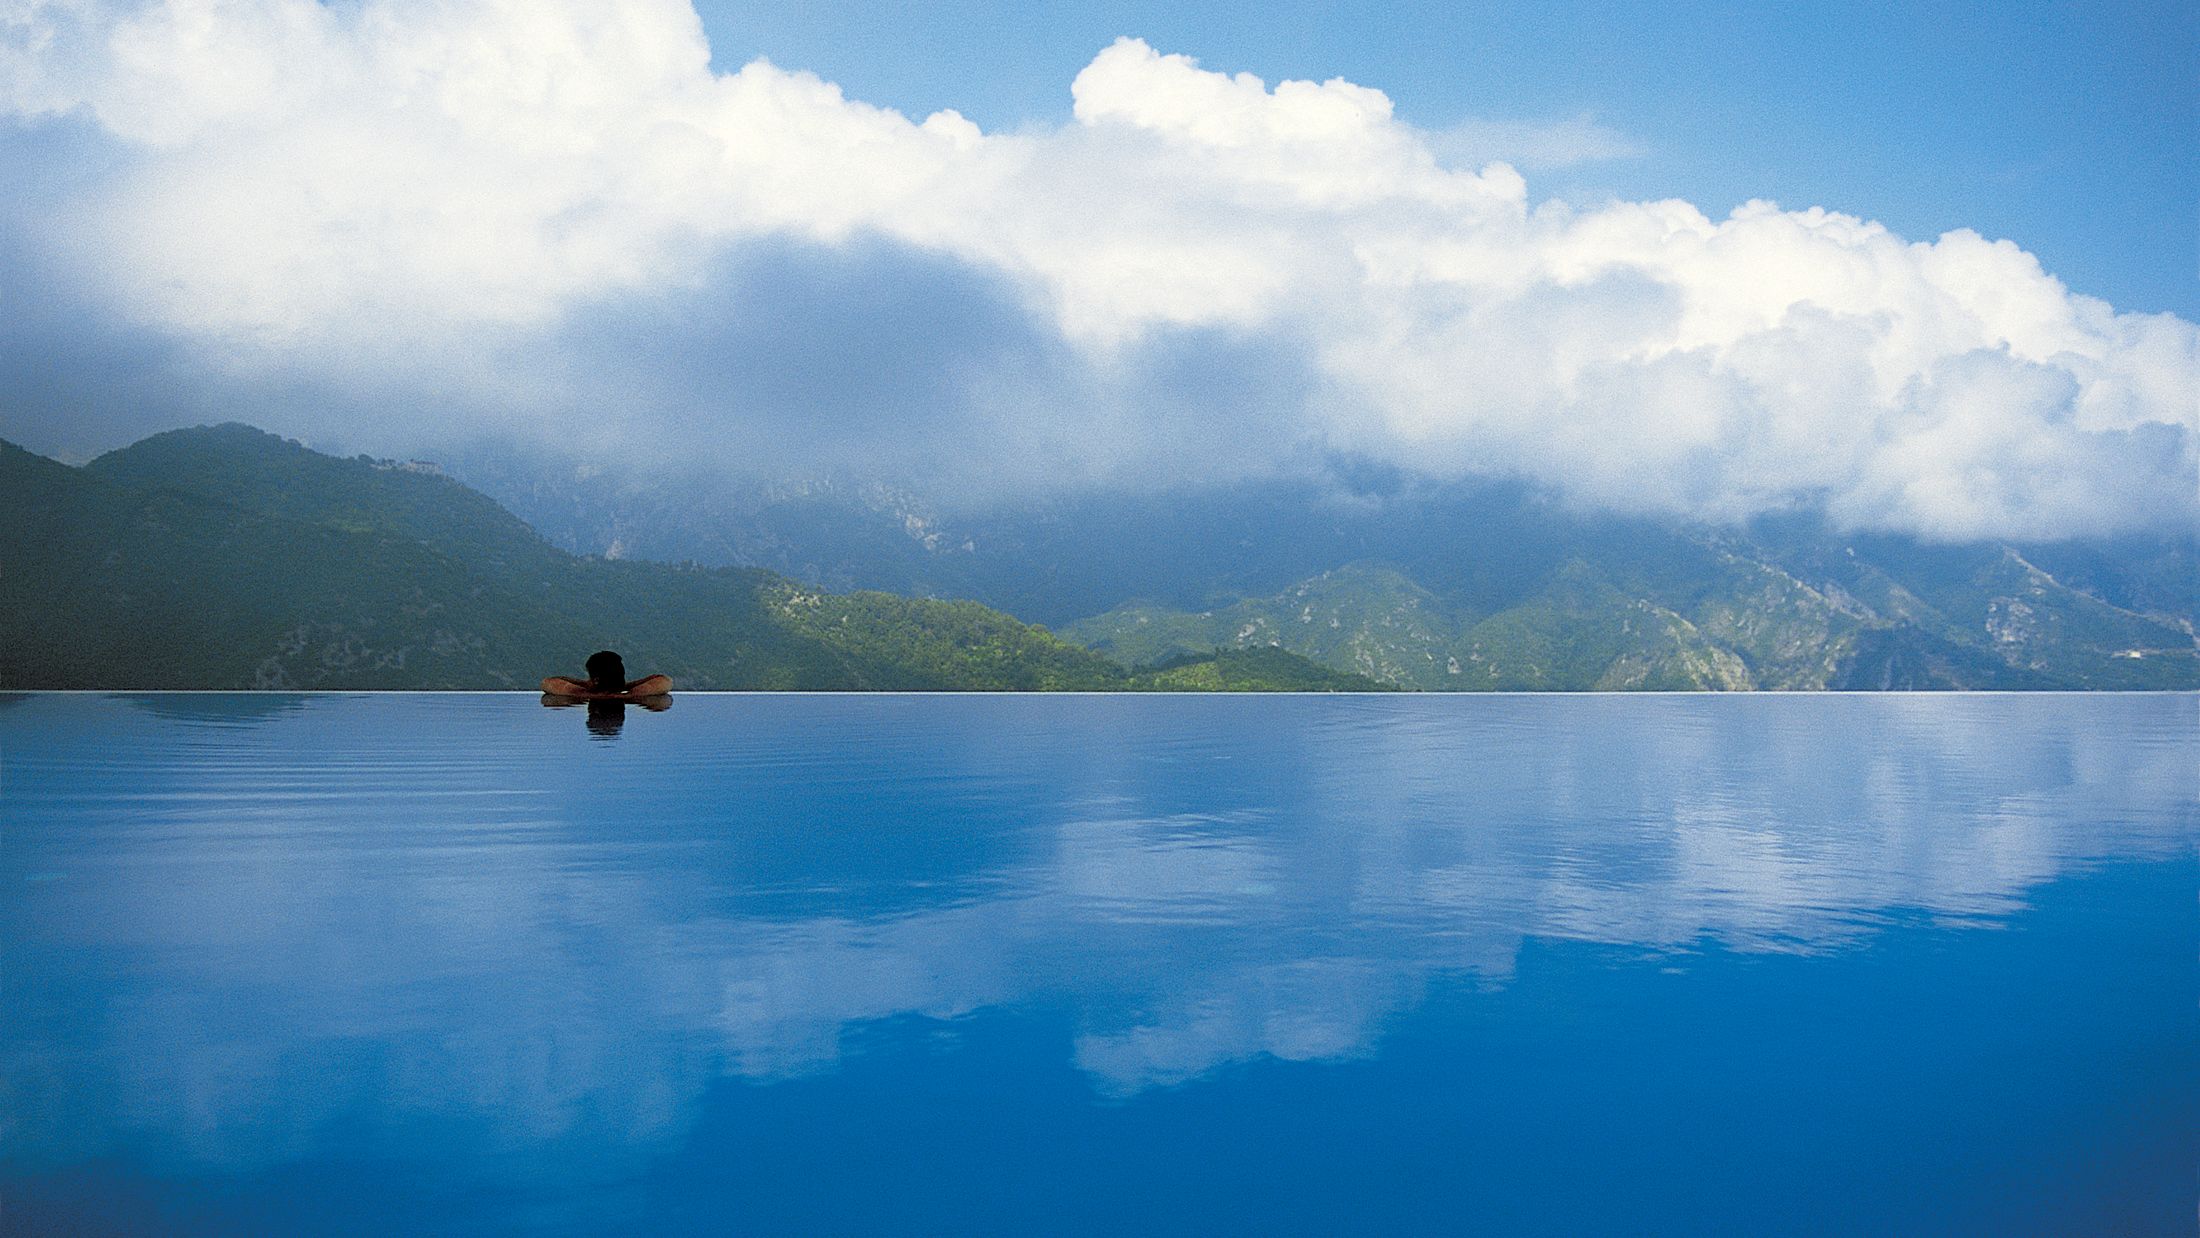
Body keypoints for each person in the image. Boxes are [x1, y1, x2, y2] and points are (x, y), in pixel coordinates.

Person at [541, 650, 671, 699]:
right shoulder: (634, 695)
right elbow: (665, 681)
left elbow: (548, 683)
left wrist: (586, 687)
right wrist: (626, 688)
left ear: (595, 679)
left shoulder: (580, 694)